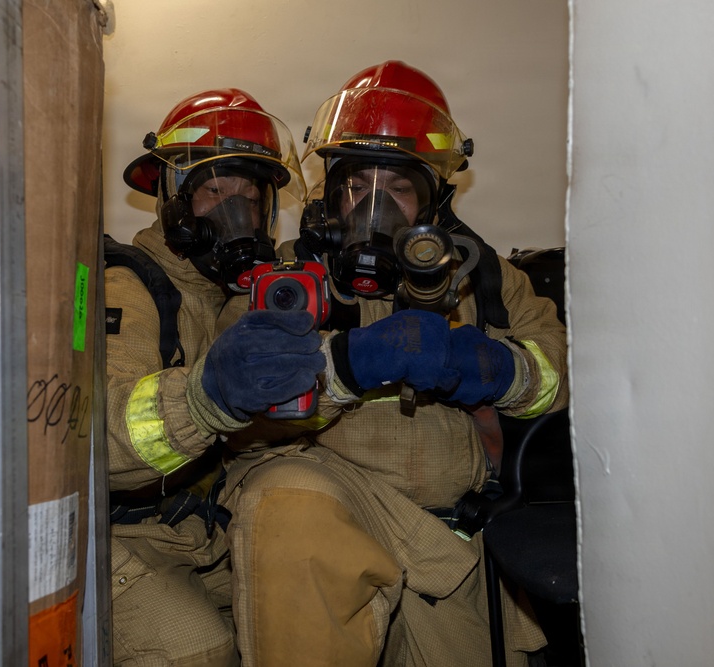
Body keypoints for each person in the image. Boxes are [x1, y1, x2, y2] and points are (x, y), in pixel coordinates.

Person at [219, 61, 570, 666]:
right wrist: (344, 368)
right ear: (331, 194)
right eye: (358, 185)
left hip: (450, 542)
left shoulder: (485, 279)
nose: (373, 206)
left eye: (397, 188)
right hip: (331, 502)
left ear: (432, 201)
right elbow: (231, 387)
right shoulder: (283, 281)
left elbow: (560, 381)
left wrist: (500, 369)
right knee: (287, 505)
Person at [105, 88, 323, 665]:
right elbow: (99, 442)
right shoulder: (130, 287)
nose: (234, 213)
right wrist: (205, 397)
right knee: (196, 650)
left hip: (200, 528)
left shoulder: (239, 297)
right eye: (214, 191)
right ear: (174, 202)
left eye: (248, 196)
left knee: (304, 610)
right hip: (121, 535)